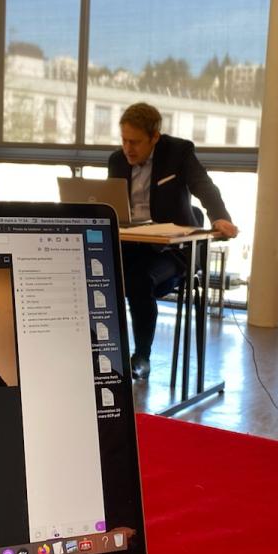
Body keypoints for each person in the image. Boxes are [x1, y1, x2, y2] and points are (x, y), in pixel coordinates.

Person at [108, 102, 239, 379]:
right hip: (130, 245)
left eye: (135, 142)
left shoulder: (178, 153)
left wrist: (219, 217)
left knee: (138, 280)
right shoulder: (117, 161)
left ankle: (141, 357)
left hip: (172, 250)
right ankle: (104, 353)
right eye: (124, 140)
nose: (128, 148)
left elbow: (204, 185)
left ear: (154, 136)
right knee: (99, 276)